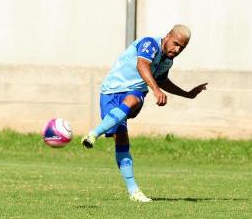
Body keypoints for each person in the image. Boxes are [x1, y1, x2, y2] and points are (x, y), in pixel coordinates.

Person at [81, 24, 208, 202]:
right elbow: (142, 65)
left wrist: (187, 94)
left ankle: (93, 133)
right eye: (175, 43)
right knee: (122, 139)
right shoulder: (150, 44)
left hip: (134, 92)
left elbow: (162, 80)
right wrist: (155, 90)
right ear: (168, 36)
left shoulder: (167, 61)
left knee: (133, 100)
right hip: (111, 91)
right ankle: (133, 191)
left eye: (182, 47)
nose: (177, 49)